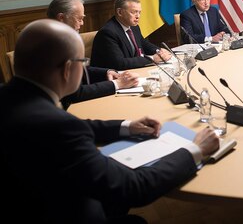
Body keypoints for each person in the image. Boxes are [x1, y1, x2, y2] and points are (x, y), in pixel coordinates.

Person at [0, 19, 219, 223]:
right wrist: (194, 150)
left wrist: (125, 127)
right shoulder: (58, 126)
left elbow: (63, 128)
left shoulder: (14, 99)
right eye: (82, 62)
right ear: (68, 69)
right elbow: (133, 188)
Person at [47, 0, 139, 109]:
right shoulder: (52, 46)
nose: (82, 23)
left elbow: (80, 69)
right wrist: (117, 84)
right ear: (61, 18)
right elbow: (75, 94)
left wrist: (107, 72)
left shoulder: (61, 39)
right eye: (79, 19)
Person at [91, 0, 171, 70]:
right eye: (134, 12)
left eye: (139, 12)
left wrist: (159, 51)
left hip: (132, 71)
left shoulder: (134, 26)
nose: (138, 16)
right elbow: (119, 63)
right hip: (114, 77)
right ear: (120, 12)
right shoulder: (108, 32)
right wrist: (152, 59)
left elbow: (144, 44)